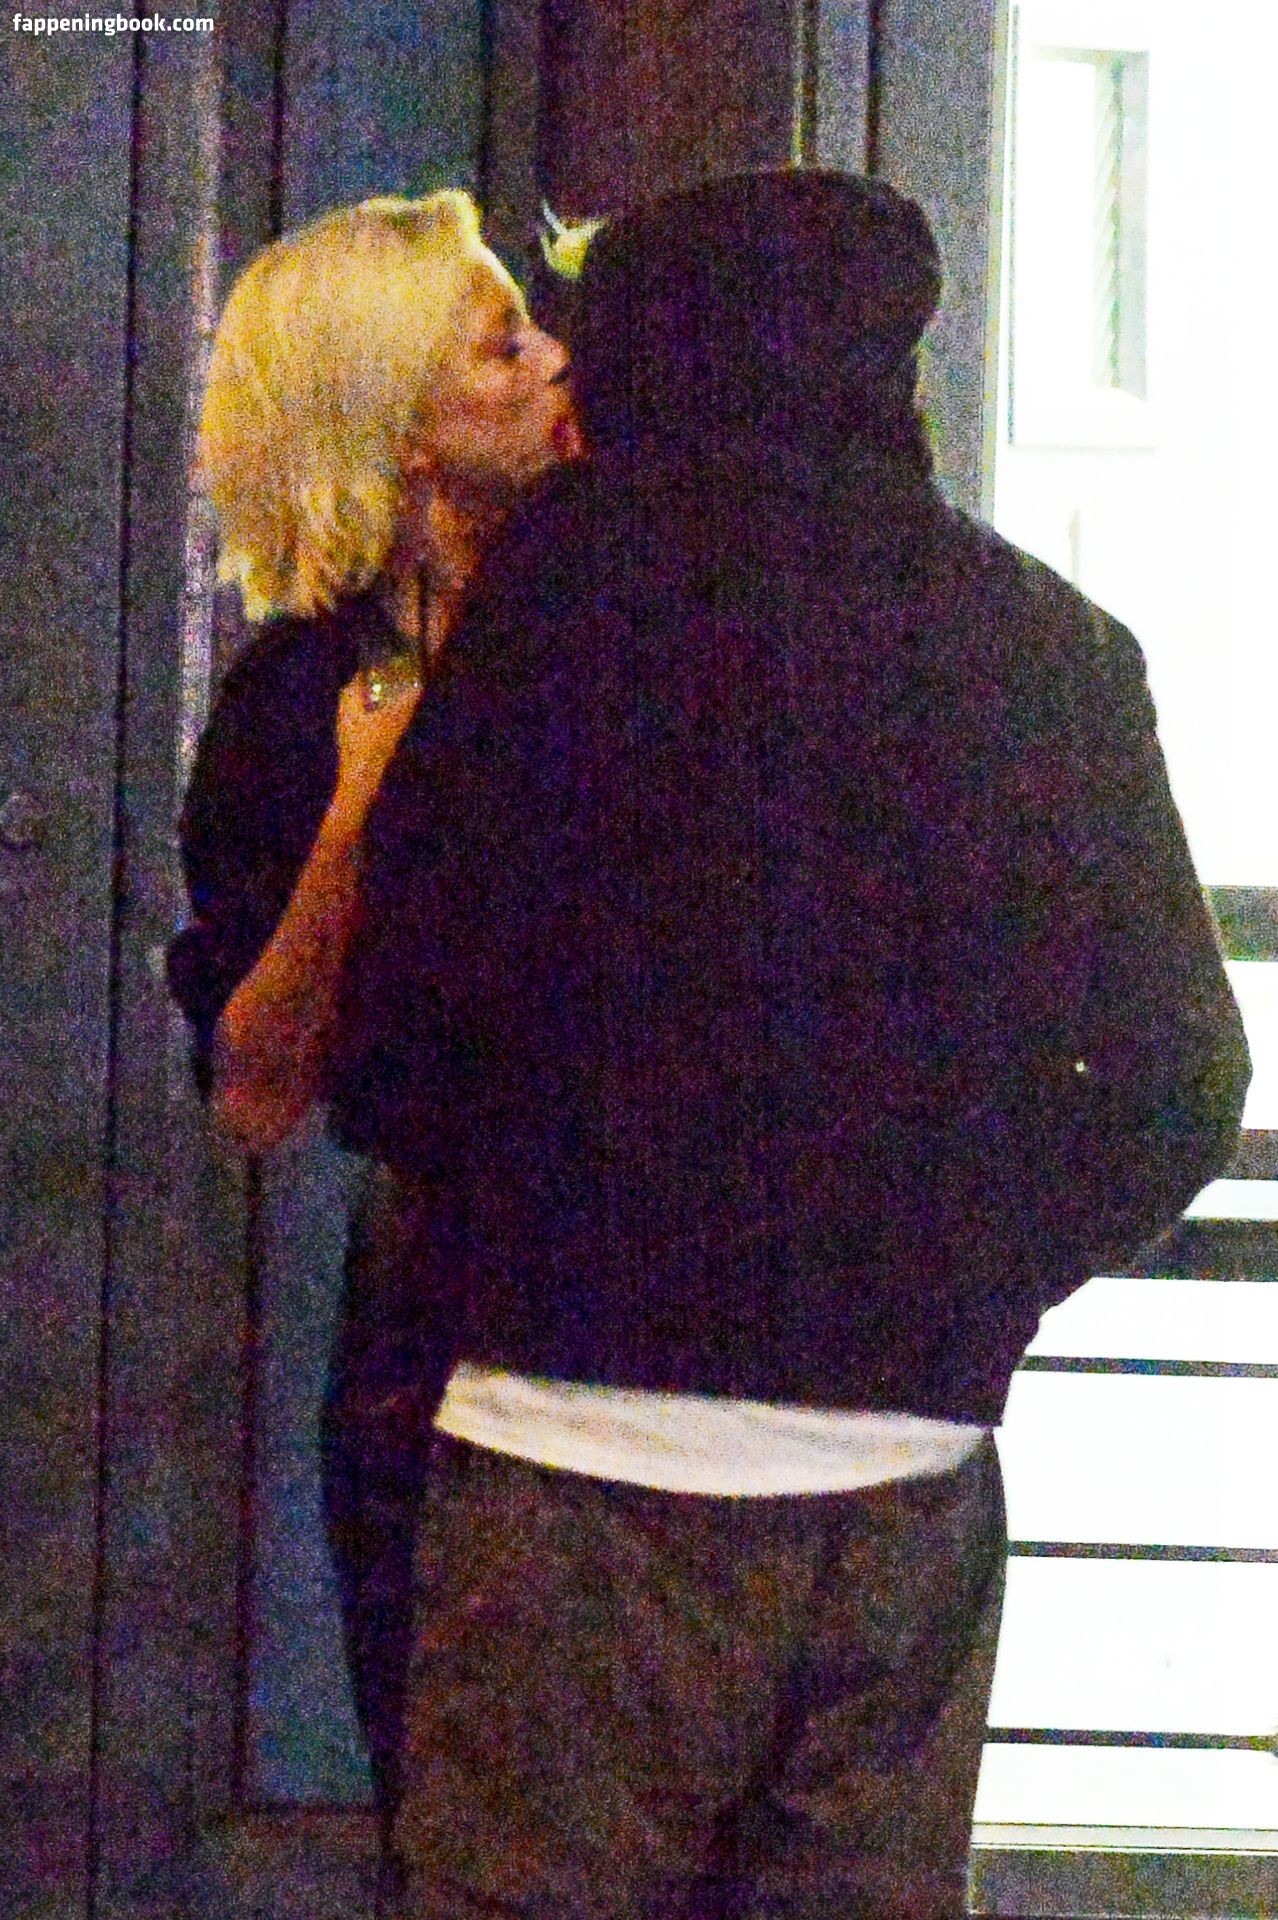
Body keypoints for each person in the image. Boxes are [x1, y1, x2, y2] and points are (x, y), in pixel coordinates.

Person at [338, 168, 1251, 1918]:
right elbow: (1179, 1081)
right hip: (901, 1475)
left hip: (569, 1454)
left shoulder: (546, 622)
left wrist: (530, 1226)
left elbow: (390, 1051)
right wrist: (962, 1280)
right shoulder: (1045, 646)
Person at [166, 188, 579, 1836]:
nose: (552, 361)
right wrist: (356, 809)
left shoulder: (614, 614)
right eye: (500, 346)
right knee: (462, 1816)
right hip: (444, 1329)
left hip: (640, 1299)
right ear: (400, 429)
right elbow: (255, 1090)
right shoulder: (297, 698)